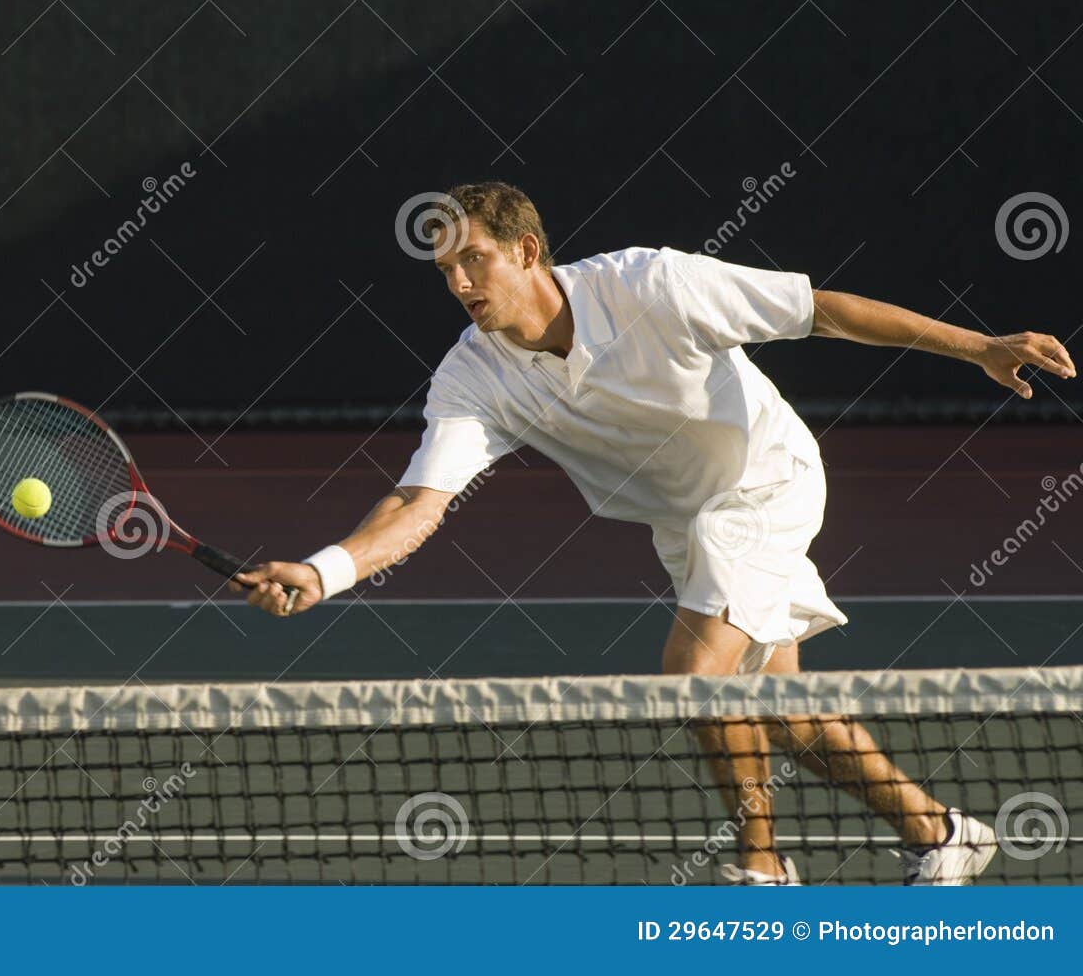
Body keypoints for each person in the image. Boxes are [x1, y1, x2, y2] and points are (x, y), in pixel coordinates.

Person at [231, 180, 1076, 884]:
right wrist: (325, 569)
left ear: (526, 250)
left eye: (473, 259)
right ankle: (942, 832)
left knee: (693, 676)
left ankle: (761, 872)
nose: (458, 281)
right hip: (686, 521)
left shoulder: (653, 284)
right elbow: (418, 502)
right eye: (445, 268)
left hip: (764, 481)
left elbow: (822, 310)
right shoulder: (473, 372)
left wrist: (979, 346)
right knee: (785, 711)